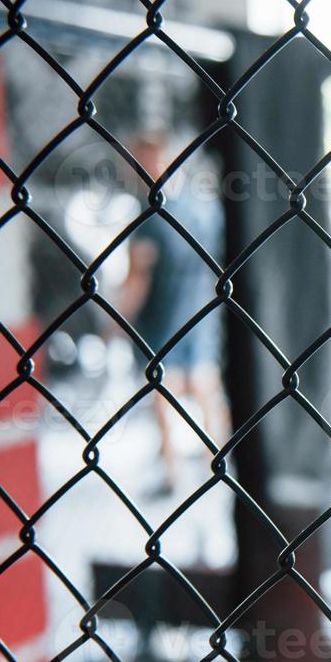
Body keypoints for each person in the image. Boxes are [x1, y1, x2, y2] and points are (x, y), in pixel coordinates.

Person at [116, 131, 229, 497]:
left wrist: (116, 320)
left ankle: (174, 472)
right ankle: (219, 461)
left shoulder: (150, 216)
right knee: (205, 386)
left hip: (166, 317)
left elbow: (138, 278)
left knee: (164, 394)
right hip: (202, 311)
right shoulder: (204, 205)